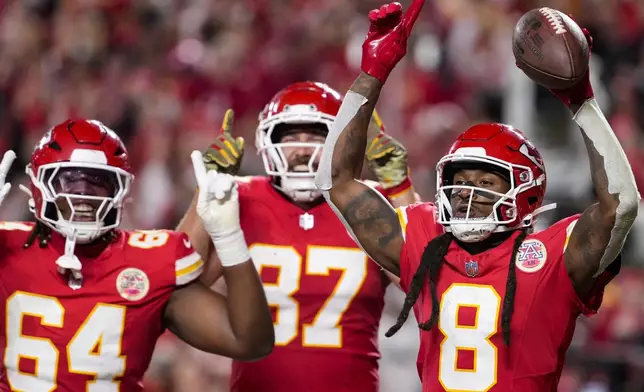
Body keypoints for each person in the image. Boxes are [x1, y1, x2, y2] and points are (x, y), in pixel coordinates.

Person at [315, 2, 639, 391]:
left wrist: (581, 102)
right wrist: (372, 73)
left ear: (527, 193)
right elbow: (336, 182)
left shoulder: (551, 258)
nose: (467, 193)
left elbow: (620, 206)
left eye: (486, 183)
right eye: (460, 180)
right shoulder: (427, 243)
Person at [177, 81, 420, 392]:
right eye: (291, 137)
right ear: (267, 141)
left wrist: (400, 190)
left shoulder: (366, 203)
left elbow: (427, 279)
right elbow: (175, 281)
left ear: (339, 143)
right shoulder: (239, 197)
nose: (303, 150)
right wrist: (206, 191)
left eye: (317, 137)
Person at [0, 119, 273, 391]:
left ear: (121, 189)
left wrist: (229, 237)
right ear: (38, 183)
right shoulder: (7, 248)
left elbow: (248, 340)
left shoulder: (147, 261)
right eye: (68, 180)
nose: (83, 195)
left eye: (98, 182)